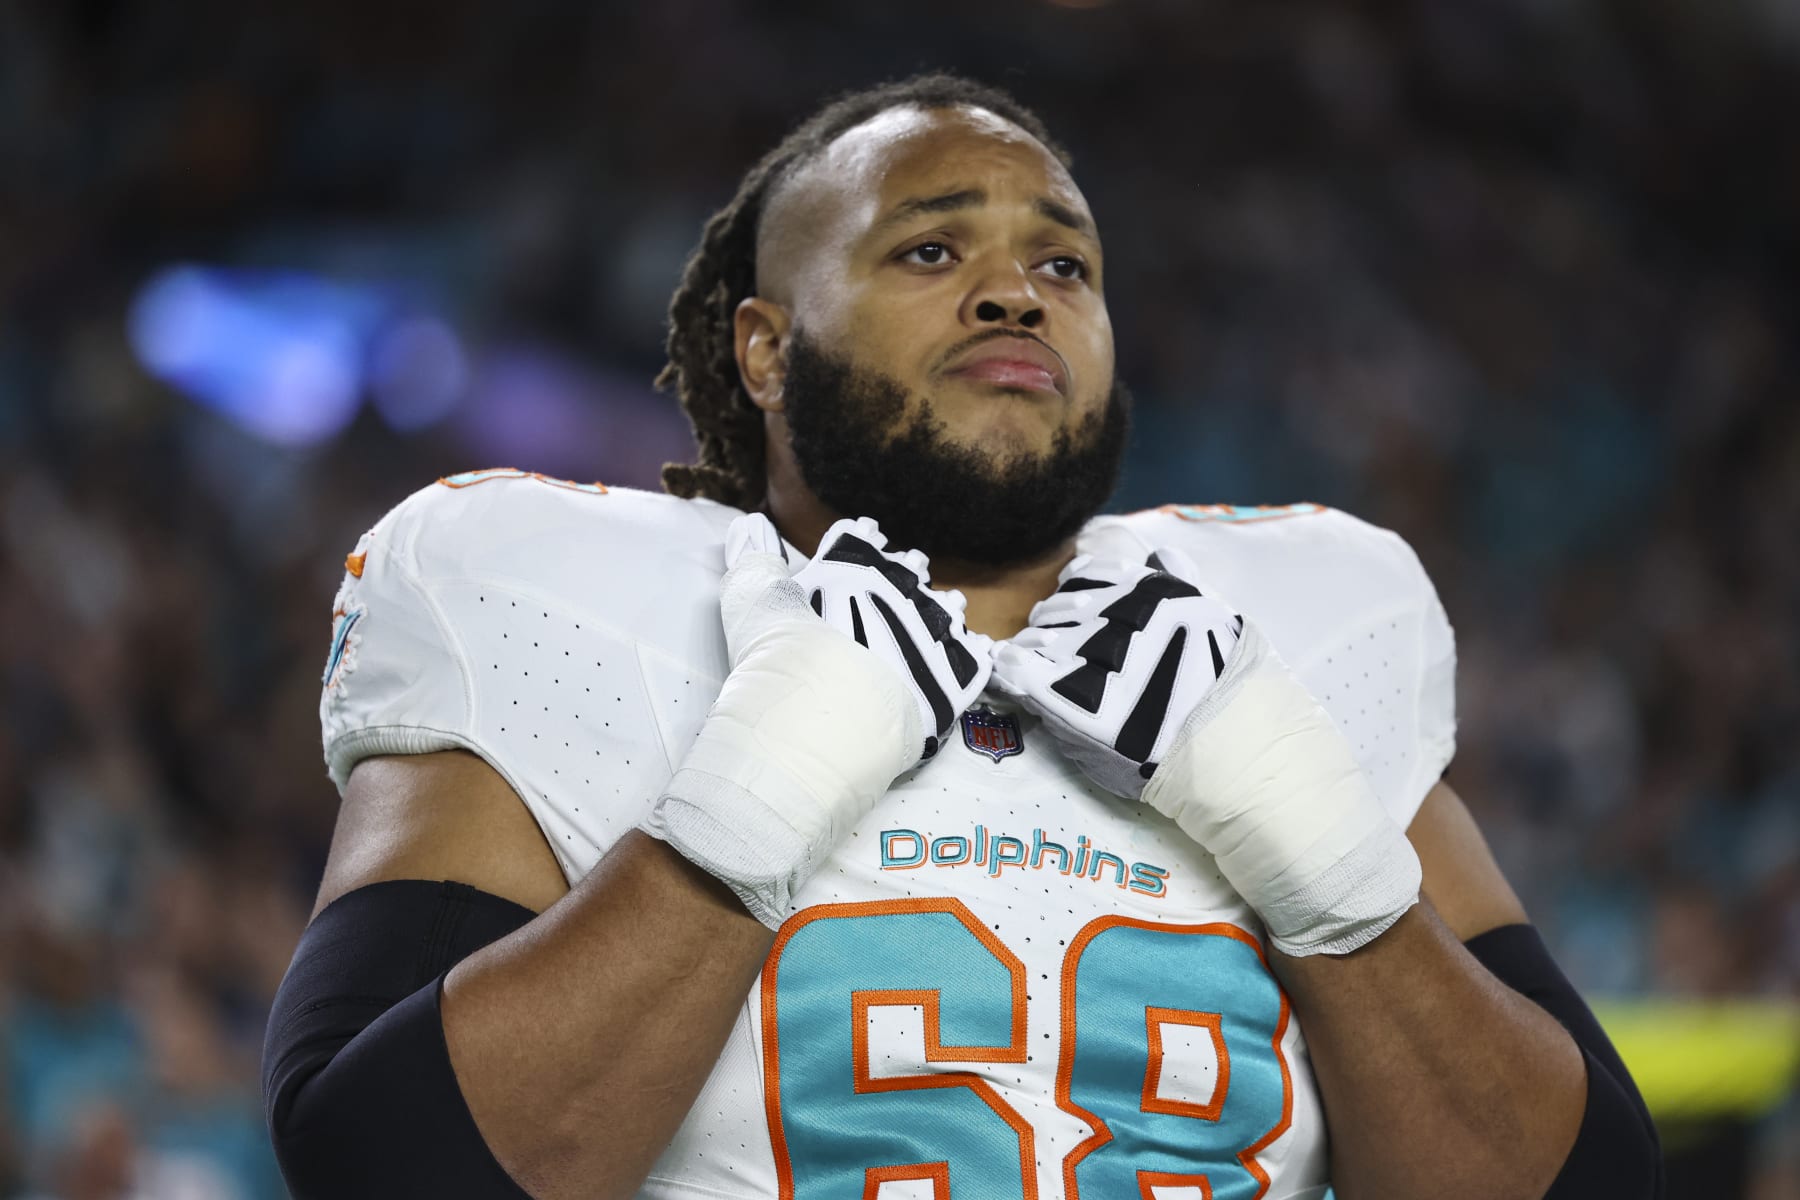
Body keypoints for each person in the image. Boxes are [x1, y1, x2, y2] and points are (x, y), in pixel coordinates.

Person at [261, 75, 1662, 1200]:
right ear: (764, 349)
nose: (1016, 292)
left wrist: (1339, 890)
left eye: (1064, 262)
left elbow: (1584, 1181)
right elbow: (376, 1165)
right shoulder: (556, 596)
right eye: (931, 249)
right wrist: (737, 822)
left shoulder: (1300, 622)